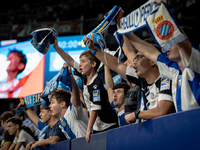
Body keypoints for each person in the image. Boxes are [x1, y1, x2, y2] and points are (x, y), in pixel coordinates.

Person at [83, 9, 174, 124]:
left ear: (152, 62)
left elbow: (162, 110)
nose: (134, 62)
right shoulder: (141, 78)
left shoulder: (165, 78)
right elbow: (117, 63)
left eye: (139, 57)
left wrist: (137, 114)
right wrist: (94, 50)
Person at [53, 39, 119, 143]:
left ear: (93, 64)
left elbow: (95, 109)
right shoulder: (84, 75)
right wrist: (56, 47)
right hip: (97, 127)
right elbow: (70, 61)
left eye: (83, 61)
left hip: (109, 125)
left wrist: (89, 130)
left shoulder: (96, 84)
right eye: (80, 61)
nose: (80, 64)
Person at [125, 26, 200, 112]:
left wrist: (164, 17)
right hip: (185, 123)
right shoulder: (173, 69)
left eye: (172, 42)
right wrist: (126, 30)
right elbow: (150, 51)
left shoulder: (196, 61)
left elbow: (184, 43)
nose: (167, 46)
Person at [49, 65, 88, 140]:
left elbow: (75, 93)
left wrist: (70, 75)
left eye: (52, 103)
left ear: (63, 104)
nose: (50, 106)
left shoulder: (73, 112)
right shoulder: (61, 122)